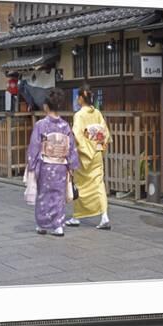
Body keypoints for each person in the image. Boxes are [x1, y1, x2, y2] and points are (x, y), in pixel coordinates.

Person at [25, 88, 79, 236]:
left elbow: (34, 146)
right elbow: (71, 147)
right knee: (58, 196)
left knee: (43, 195)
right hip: (61, 166)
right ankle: (58, 226)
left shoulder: (41, 125)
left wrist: (31, 164)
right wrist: (71, 165)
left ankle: (42, 225)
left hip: (46, 165)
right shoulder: (65, 126)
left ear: (46, 106)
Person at [65, 85, 112, 230]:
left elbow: (78, 135)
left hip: (84, 155)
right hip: (96, 153)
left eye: (78, 97)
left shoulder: (79, 115)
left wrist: (84, 150)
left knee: (80, 185)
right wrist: (98, 148)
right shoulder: (97, 113)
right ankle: (104, 216)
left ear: (80, 98)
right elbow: (104, 133)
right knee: (99, 185)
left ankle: (77, 216)